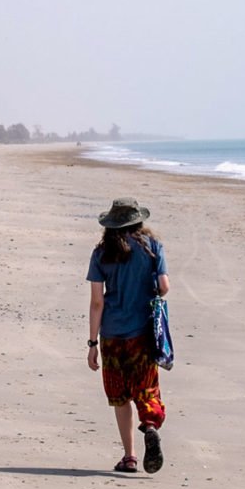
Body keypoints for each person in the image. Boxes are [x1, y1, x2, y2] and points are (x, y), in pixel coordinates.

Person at [86, 197, 169, 474]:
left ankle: (130, 456)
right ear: (138, 222)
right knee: (146, 389)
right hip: (143, 333)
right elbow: (164, 287)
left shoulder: (101, 254)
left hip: (112, 335)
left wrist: (92, 343)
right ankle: (150, 426)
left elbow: (97, 301)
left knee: (120, 396)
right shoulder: (152, 248)